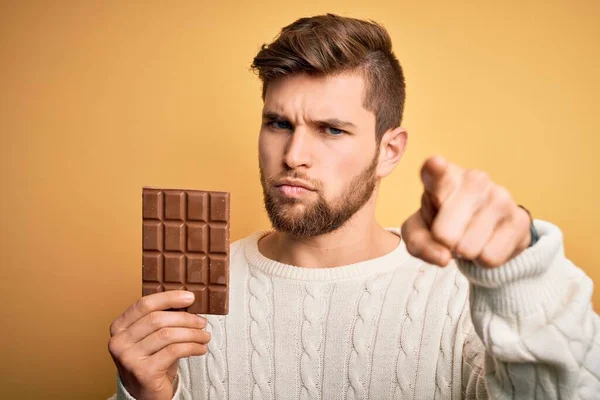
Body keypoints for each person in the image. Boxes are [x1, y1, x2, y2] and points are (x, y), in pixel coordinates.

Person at [108, 14, 600, 400]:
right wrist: (144, 395)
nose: (294, 156)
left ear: (389, 150)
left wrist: (522, 278)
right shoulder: (189, 299)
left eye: (332, 129)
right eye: (278, 123)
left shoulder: (461, 299)